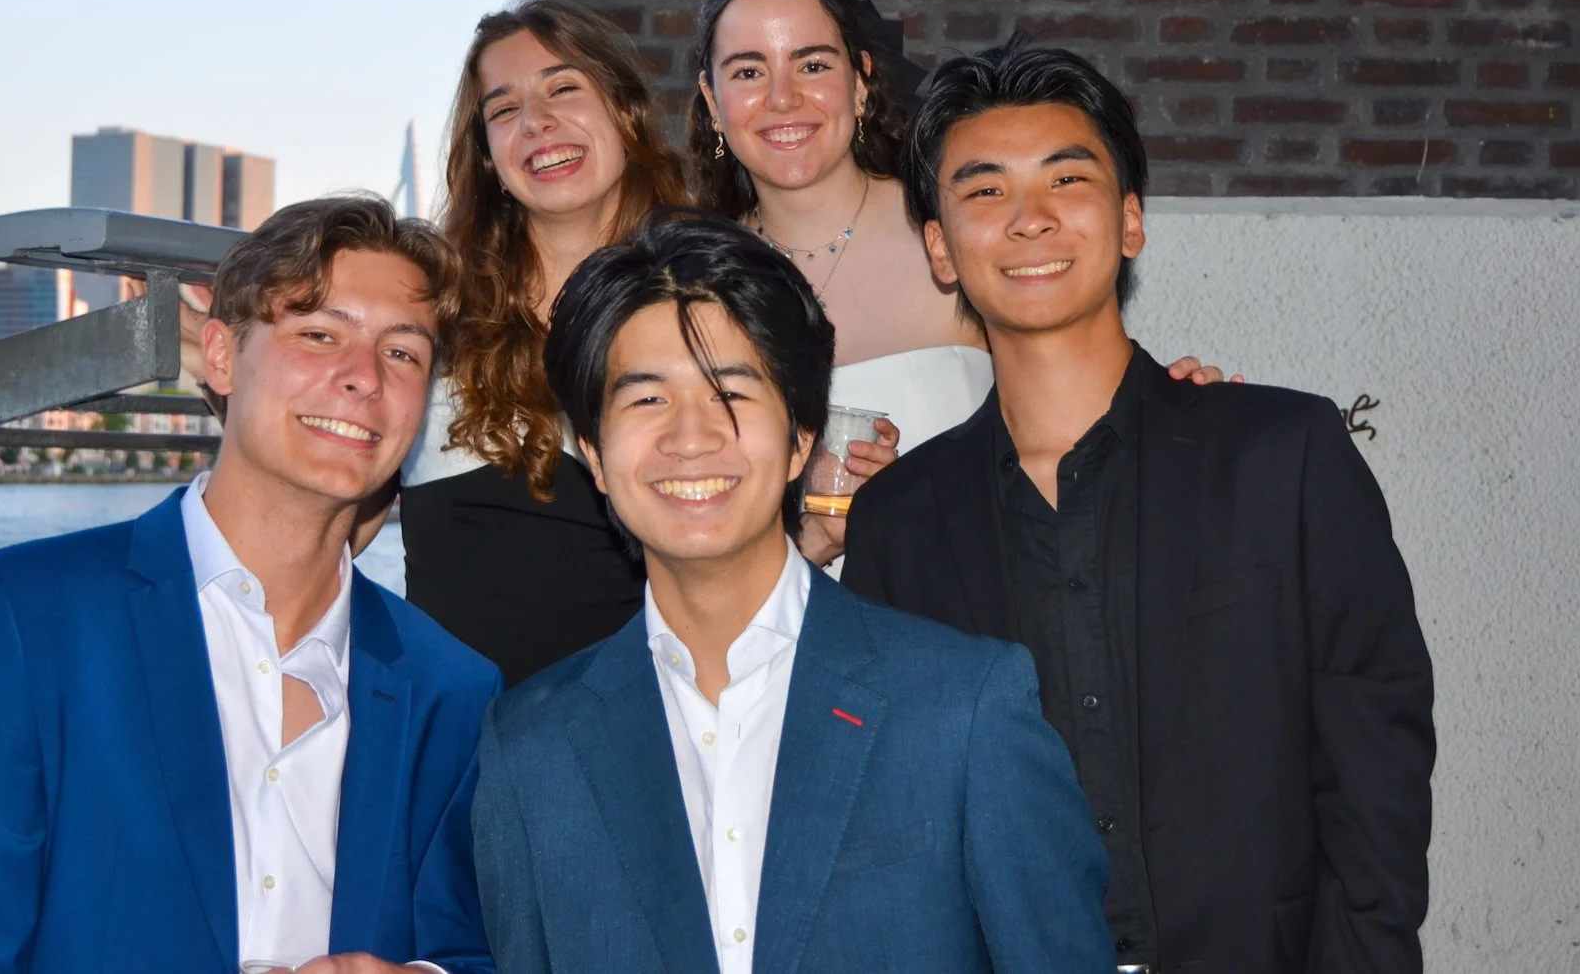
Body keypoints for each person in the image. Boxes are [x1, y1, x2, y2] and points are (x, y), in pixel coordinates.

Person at [841, 38, 1436, 974]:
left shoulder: (1284, 455)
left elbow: (1377, 762)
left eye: (1066, 179)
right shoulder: (900, 522)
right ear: (940, 249)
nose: (1030, 219)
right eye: (986, 191)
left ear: (1130, 221)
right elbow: (897, 821)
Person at [0, 196, 499, 974]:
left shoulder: (453, 690)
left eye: (402, 353)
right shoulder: (21, 621)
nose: (364, 378)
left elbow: (469, 948)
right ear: (222, 358)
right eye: (319, 334)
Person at [472, 213, 1113, 974]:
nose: (690, 437)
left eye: (730, 393)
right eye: (647, 400)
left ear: (801, 438)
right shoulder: (532, 747)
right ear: (594, 453)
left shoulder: (962, 708)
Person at [688, 0, 1229, 564]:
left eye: (812, 64)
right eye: (748, 71)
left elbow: (1087, 396)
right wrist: (809, 543)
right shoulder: (689, 283)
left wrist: (1172, 409)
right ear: (712, 98)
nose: (783, 98)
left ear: (860, 80)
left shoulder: (969, 228)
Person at [398, 0, 693, 686]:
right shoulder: (434, 308)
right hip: (457, 729)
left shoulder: (707, 303)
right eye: (503, 109)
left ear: (624, 111)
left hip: (644, 717)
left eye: (563, 89)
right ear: (488, 156)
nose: (535, 122)